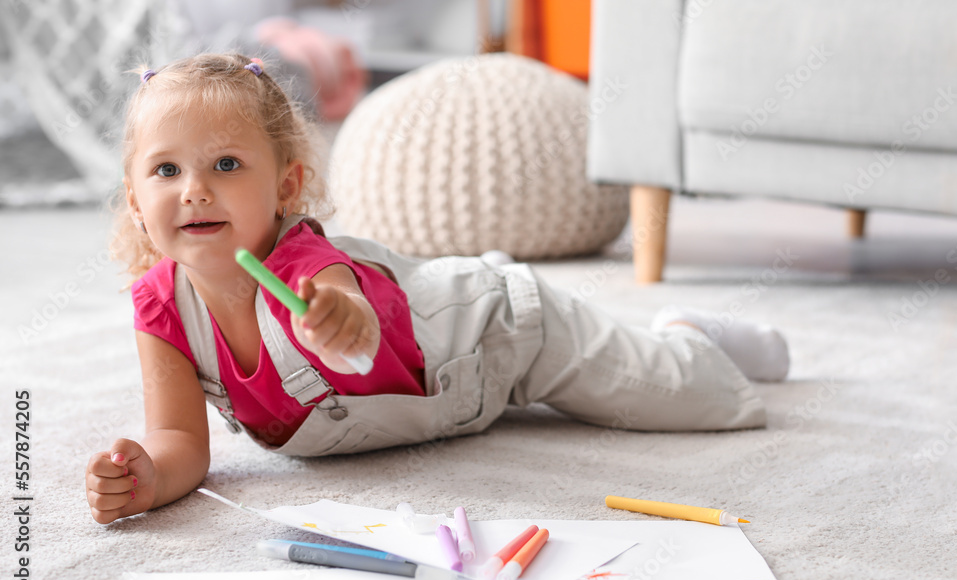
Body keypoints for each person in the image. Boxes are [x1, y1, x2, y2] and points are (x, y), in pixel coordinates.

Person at [85, 52, 790, 525]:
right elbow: (181, 438)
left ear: (287, 186)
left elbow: (354, 329)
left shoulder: (304, 261)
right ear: (136, 199)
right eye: (167, 171)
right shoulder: (160, 307)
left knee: (688, 397)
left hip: (503, 334)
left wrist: (342, 321)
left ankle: (688, 334)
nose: (195, 189)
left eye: (227, 163)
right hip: (448, 393)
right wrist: (148, 478)